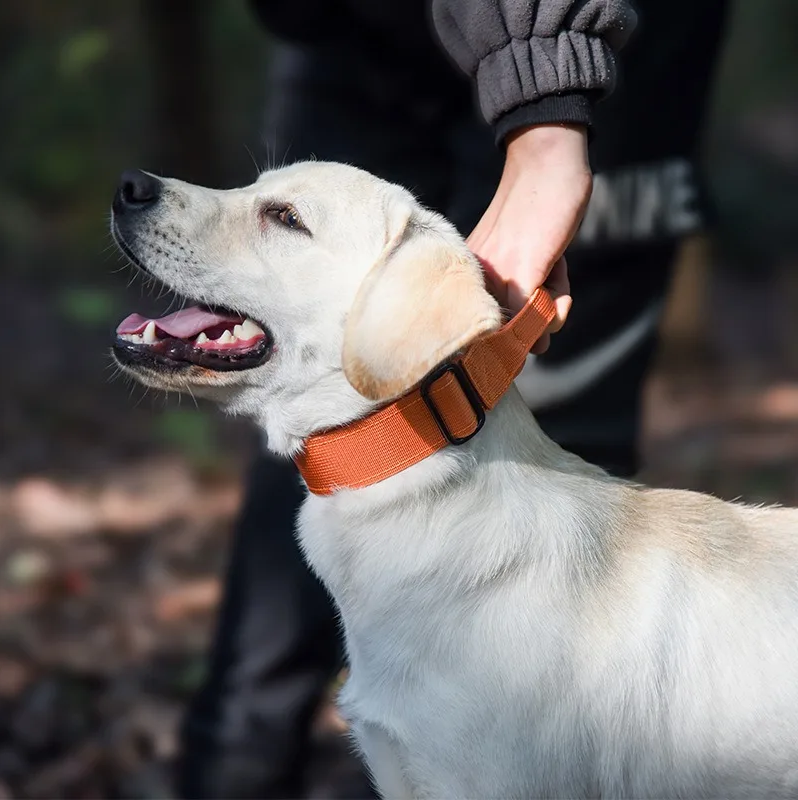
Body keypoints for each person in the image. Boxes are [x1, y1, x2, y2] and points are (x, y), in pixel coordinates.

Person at [177, 0, 729, 796]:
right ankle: (237, 763)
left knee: (554, 445)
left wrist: (547, 117)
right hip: (359, 31)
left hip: (587, 45)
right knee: (317, 405)